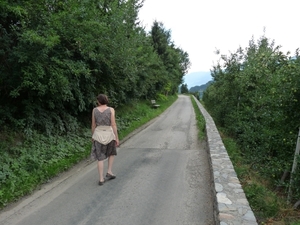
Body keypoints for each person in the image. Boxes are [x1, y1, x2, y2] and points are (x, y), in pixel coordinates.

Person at [91, 94, 119, 186]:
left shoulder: (94, 110)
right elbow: (113, 124)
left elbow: (93, 125)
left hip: (98, 134)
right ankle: (109, 171)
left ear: (98, 101)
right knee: (111, 153)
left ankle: (101, 179)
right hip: (109, 134)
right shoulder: (111, 110)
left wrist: (93, 135)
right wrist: (116, 137)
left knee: (100, 157)